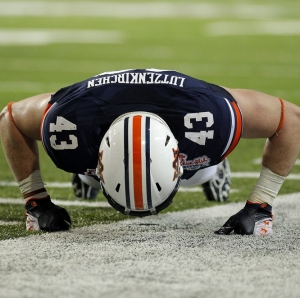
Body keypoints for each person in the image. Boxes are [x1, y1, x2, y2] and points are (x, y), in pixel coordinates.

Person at [0, 69, 299, 235]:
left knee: (201, 169)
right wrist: (36, 201)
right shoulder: (68, 123)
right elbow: (9, 119)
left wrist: (260, 205)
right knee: (79, 162)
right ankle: (87, 176)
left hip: (187, 121)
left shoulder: (210, 116)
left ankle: (212, 171)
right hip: (91, 129)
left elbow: (291, 120)